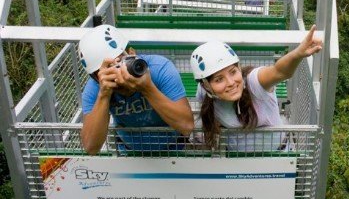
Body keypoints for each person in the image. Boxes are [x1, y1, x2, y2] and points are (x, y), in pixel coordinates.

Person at [191, 25, 322, 151]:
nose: (231, 82)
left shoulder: (253, 83)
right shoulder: (205, 93)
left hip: (275, 158)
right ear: (206, 86)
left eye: (233, 72)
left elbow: (279, 72)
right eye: (219, 79)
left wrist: (297, 54)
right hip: (237, 163)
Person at [79, 24, 194, 154]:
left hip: (174, 147)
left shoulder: (159, 68)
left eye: (118, 63)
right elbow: (90, 147)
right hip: (129, 151)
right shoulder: (96, 88)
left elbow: (187, 126)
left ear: (132, 53)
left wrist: (147, 88)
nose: (118, 77)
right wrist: (104, 95)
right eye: (106, 71)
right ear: (95, 77)